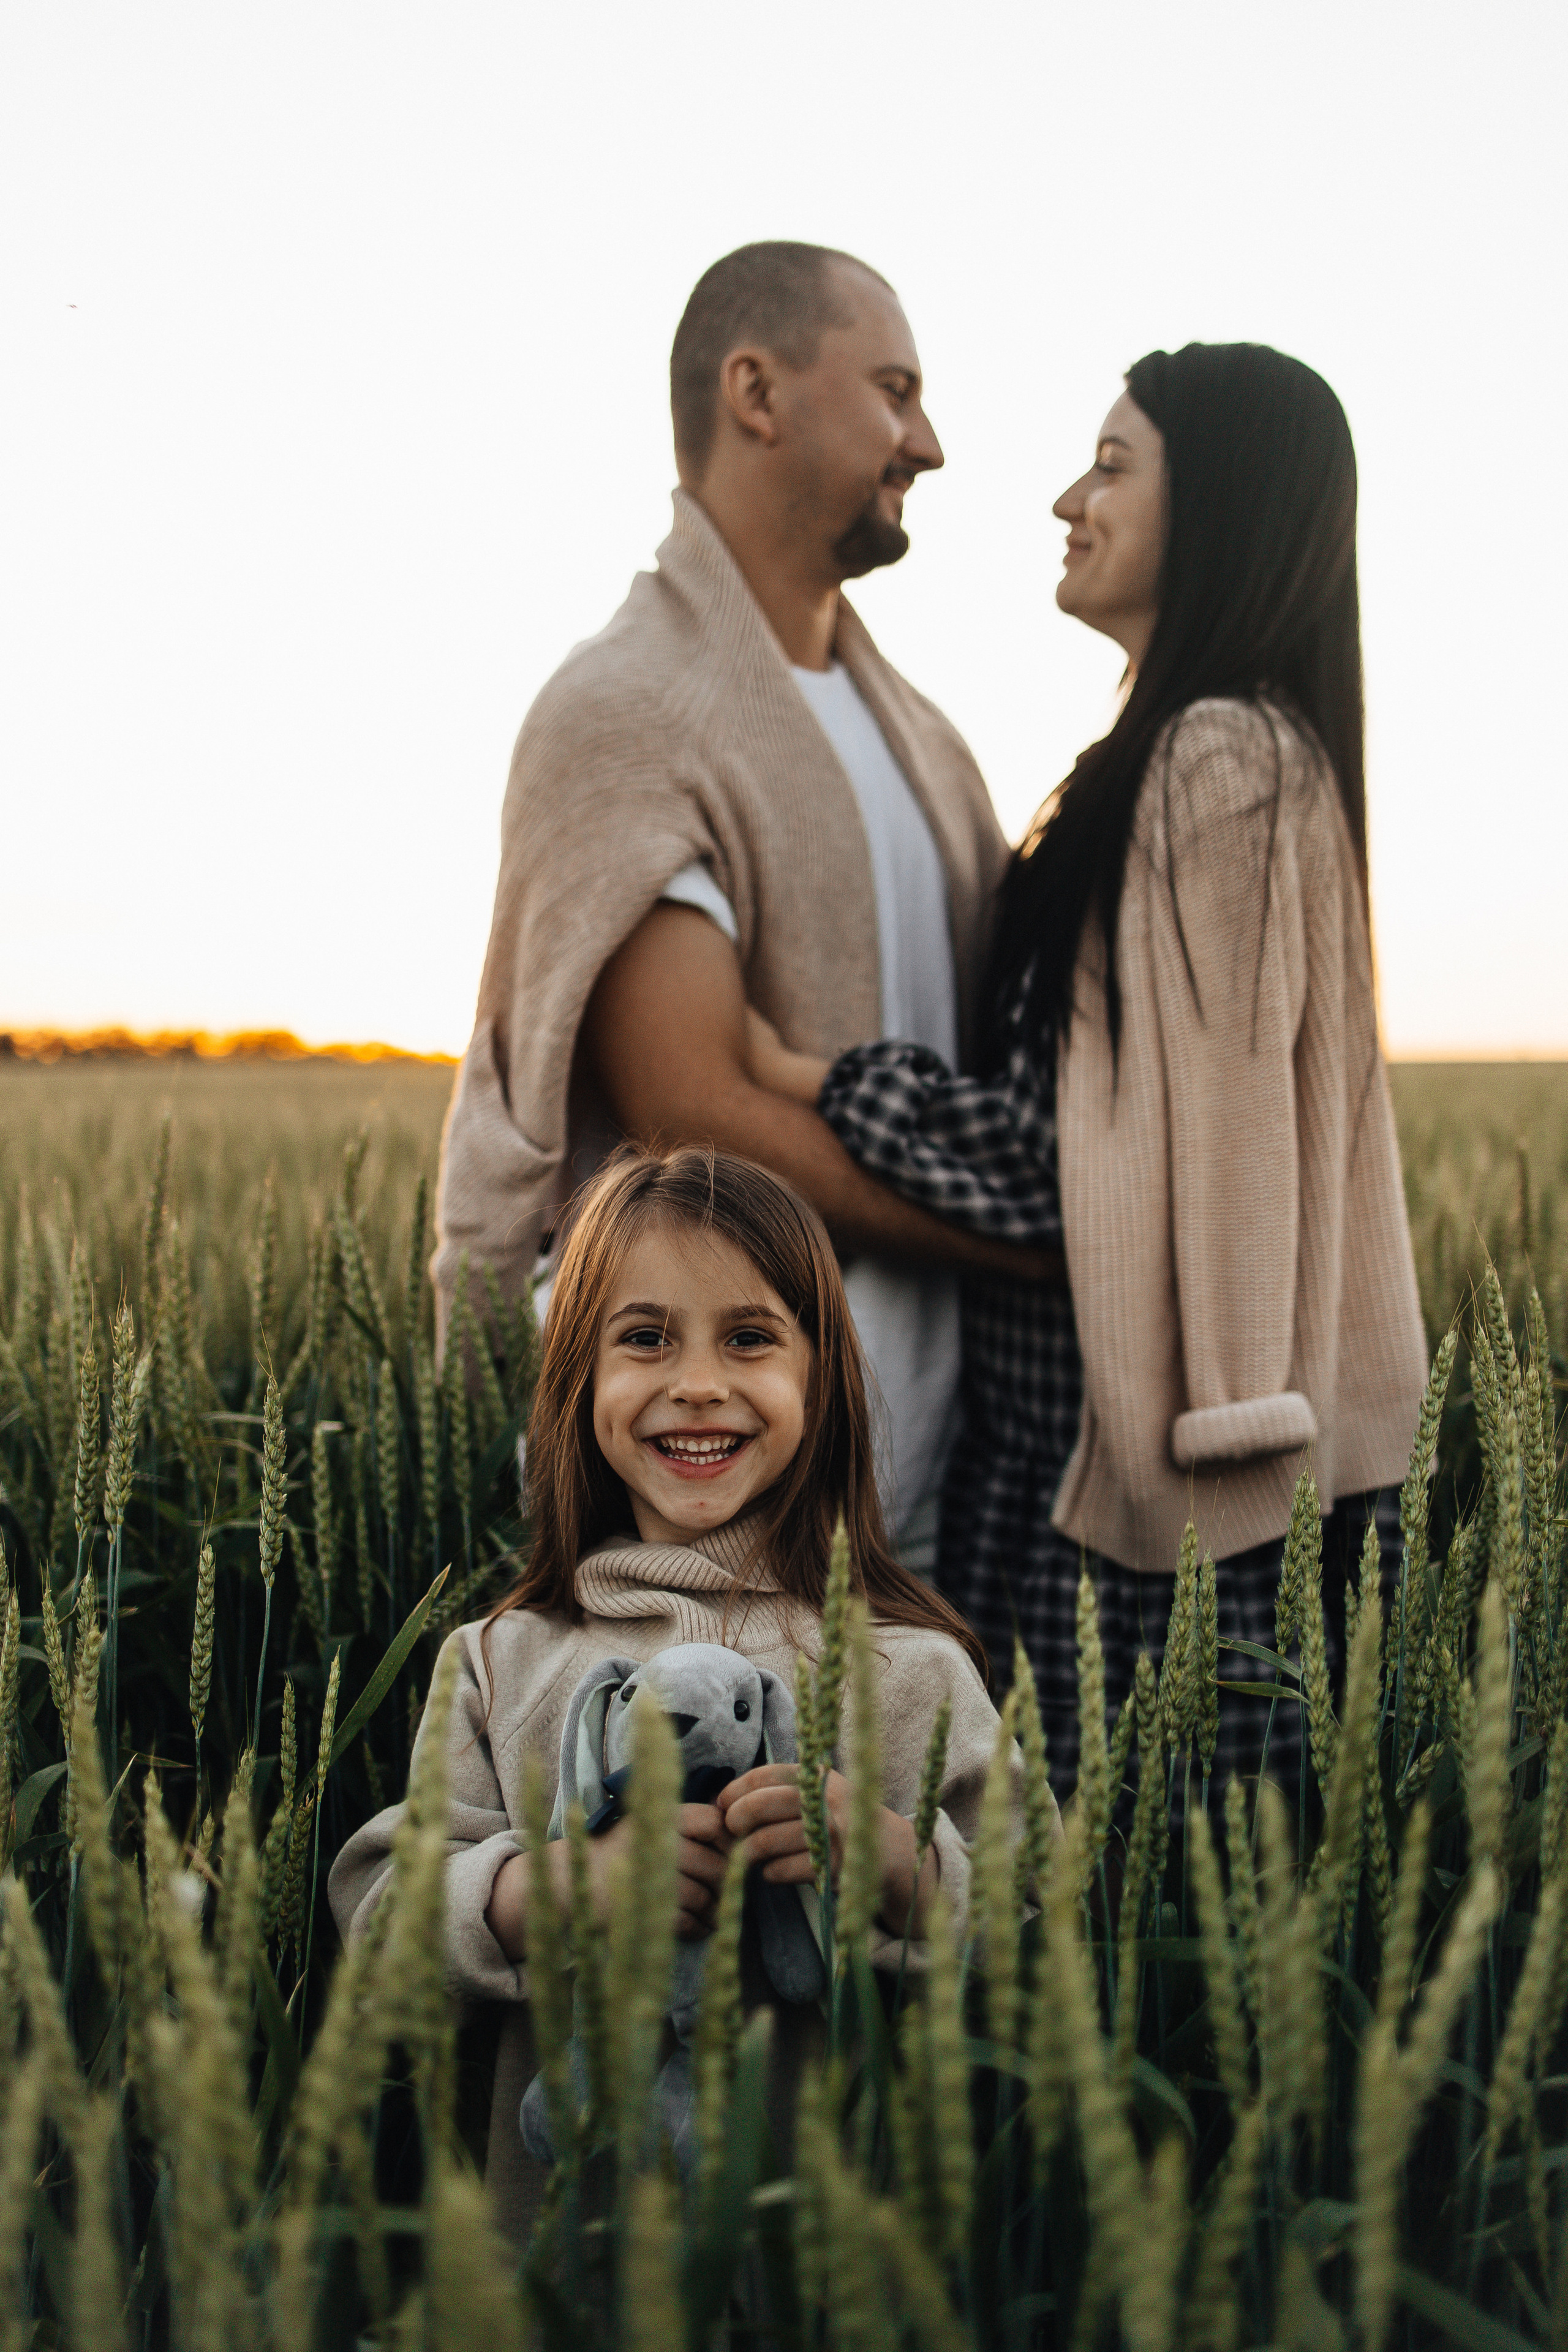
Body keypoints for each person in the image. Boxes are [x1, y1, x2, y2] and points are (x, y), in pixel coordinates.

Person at [745, 342, 1430, 1790]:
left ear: (1225, 509)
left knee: (1101, 1924)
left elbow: (1091, 1178)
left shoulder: (1217, 762)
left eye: (1113, 466)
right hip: (1117, 1469)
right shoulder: (1210, 751)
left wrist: (800, 1073)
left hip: (1142, 1504)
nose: (1069, 497)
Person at [431, 241, 1037, 1557]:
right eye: (892, 389)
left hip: (935, 1451)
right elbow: (694, 1108)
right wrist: (1043, 1246)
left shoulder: (922, 740)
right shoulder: (629, 709)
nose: (925, 442)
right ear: (755, 392)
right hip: (702, 1487)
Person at [330, 1147, 1025, 2240]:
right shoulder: (499, 1658)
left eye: (748, 1338)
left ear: (820, 1382)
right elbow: (378, 1921)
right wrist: (553, 1892)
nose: (697, 1382)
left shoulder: (910, 1669)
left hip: (823, 2272)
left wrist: (899, 1865)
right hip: (565, 2270)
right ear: (578, 1382)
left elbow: (1043, 1925)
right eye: (645, 1337)